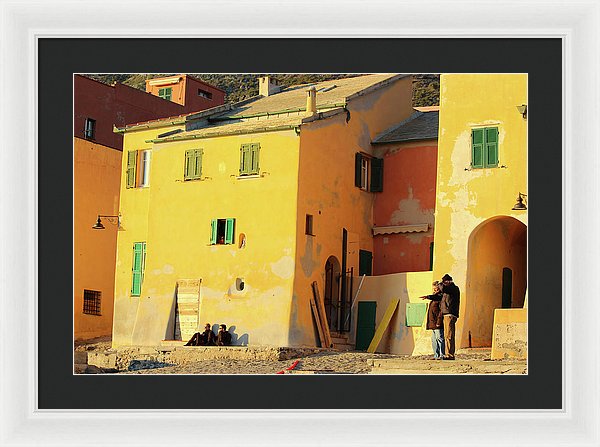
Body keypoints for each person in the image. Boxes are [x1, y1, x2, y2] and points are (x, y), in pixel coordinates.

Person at [420, 281, 445, 360]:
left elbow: (441, 312)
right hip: (432, 323)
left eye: (436, 289)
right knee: (434, 340)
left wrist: (438, 322)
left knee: (440, 338)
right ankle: (436, 355)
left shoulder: (440, 298)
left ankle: (442, 355)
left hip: (437, 323)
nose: (434, 291)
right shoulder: (434, 299)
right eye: (434, 289)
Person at [439, 273, 460, 360]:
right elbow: (439, 296)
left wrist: (440, 284)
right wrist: (429, 297)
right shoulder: (449, 290)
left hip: (450, 314)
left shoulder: (453, 288)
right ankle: (448, 353)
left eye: (444, 282)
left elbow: (443, 288)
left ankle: (450, 355)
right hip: (446, 313)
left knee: (449, 335)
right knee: (447, 335)